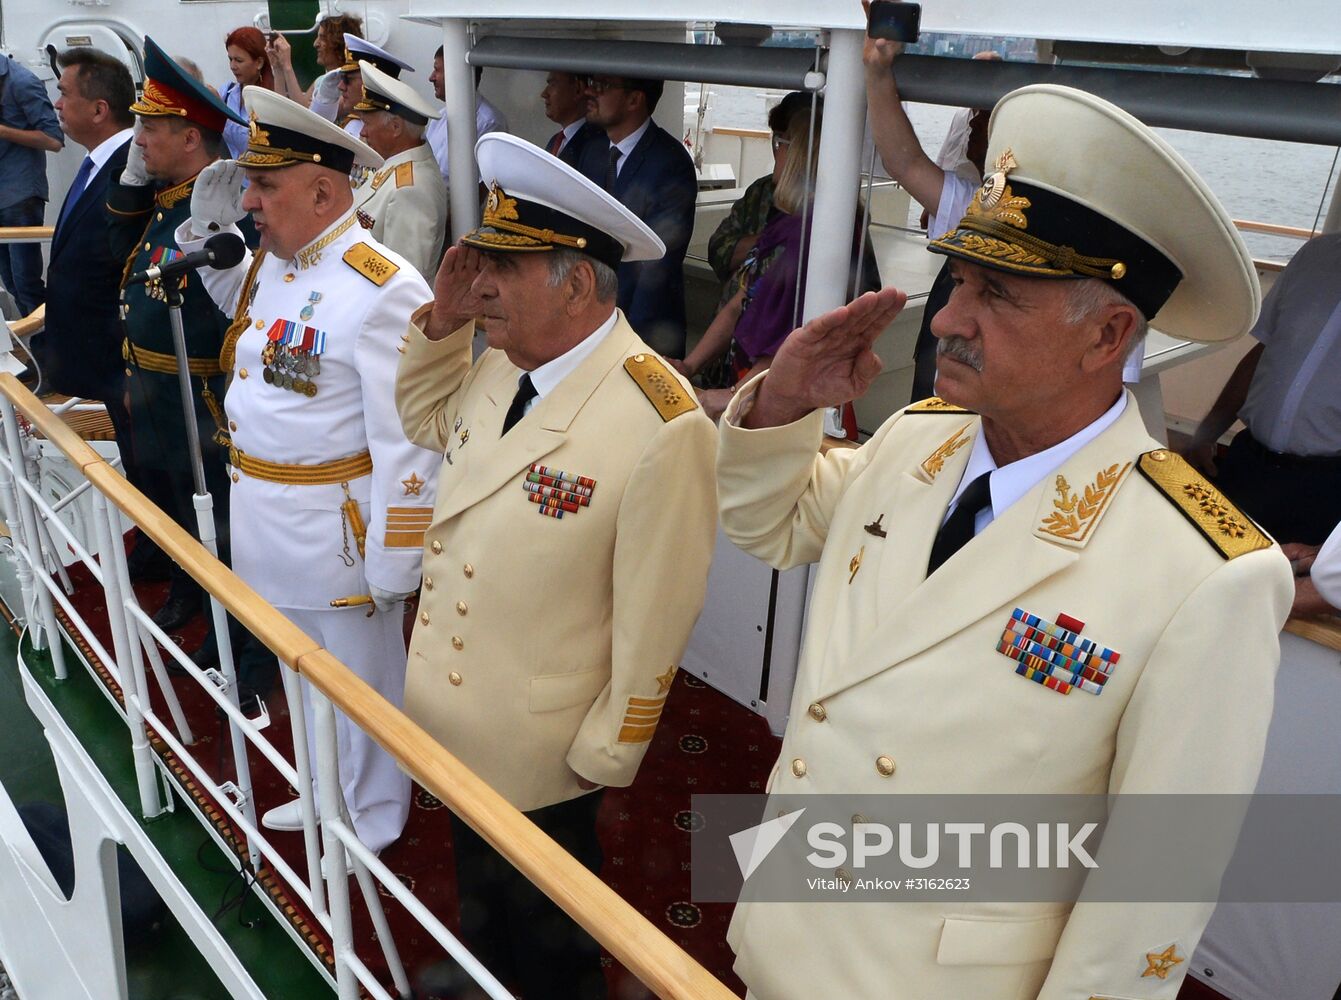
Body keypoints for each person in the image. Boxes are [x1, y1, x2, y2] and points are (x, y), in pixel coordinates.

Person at [715, 82, 1293, 1000]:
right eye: (957, 282)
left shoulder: (1203, 571)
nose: (946, 317)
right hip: (786, 924)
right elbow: (768, 524)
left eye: (996, 294)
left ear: (1107, 333)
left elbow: (1154, 885)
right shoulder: (915, 438)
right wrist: (781, 403)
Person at [397, 133, 716, 999]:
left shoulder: (659, 419)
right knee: (480, 894)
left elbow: (658, 612)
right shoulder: (501, 361)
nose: (482, 283)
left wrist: (609, 754)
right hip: (456, 712)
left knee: (548, 933)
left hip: (544, 744)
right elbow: (425, 420)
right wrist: (443, 319)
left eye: (504, 267)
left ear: (576, 282)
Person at [175, 88, 440, 856]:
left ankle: (373, 819)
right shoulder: (276, 263)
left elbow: (409, 439)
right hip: (265, 513)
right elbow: (255, 332)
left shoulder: (385, 286)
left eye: (265, 187)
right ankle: (324, 792)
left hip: (339, 530)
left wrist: (399, 554)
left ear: (324, 191)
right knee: (300, 674)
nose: (251, 201)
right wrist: (208, 226)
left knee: (361, 689)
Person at [107, 37, 248, 634]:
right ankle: (193, 592)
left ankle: (236, 631)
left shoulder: (221, 212)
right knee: (179, 512)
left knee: (219, 521)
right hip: (158, 394)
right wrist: (135, 179)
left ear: (191, 137)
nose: (138, 140)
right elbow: (114, 251)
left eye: (151, 129)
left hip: (204, 402)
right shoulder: (167, 203)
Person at [675, 110, 879, 423]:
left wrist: (734, 396)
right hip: (749, 387)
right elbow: (740, 303)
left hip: (780, 405)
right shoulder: (785, 224)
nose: (775, 151)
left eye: (780, 143)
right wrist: (688, 367)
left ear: (798, 154)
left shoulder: (818, 237)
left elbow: (793, 340)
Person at [1182, 230, 1341, 546]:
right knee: (1212, 561)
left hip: (1326, 488)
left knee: (1290, 589)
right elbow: (1264, 352)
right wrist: (1208, 432)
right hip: (1249, 464)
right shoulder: (1315, 255)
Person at [31, 47, 134, 442]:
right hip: (100, 366)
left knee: (152, 486)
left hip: (121, 368)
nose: (57, 103)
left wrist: (130, 379)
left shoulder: (128, 170)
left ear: (98, 110)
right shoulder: (97, 163)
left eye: (64, 93)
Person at [578, 75, 696, 359]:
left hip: (644, 333)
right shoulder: (593, 152)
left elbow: (659, 263)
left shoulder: (670, 163)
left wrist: (627, 344)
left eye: (603, 86)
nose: (590, 92)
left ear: (634, 100)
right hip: (587, 323)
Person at [706, 91, 818, 287]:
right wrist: (769, 239)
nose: (777, 150)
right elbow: (718, 250)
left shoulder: (835, 206)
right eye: (776, 140)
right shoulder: (760, 192)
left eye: (783, 143)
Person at [350, 61, 447, 281]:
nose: (363, 132)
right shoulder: (396, 167)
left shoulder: (411, 190)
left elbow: (401, 280)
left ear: (395, 127)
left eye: (367, 123)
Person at [0, 51, 63, 318]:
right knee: (11, 282)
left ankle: (52, 350)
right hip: (5, 194)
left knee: (26, 283)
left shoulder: (23, 82)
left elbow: (54, 140)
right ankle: (40, 350)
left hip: (22, 194)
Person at [425, 52, 509, 188]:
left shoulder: (490, 123)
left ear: (457, 74)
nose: (431, 78)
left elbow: (486, 185)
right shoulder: (437, 119)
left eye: (437, 70)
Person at [265, 13, 362, 118]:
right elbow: (284, 113)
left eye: (323, 38)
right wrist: (278, 67)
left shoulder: (351, 85)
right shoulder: (320, 81)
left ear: (340, 42)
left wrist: (287, 66)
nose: (315, 44)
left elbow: (306, 118)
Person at [335, 34, 412, 142]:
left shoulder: (391, 132)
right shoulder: (352, 123)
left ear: (372, 83)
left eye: (348, 79)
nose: (341, 86)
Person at [220, 27, 275, 159]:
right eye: (230, 59)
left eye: (239, 60)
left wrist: (219, 114)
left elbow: (254, 146)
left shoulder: (271, 97)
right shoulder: (227, 91)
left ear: (259, 63)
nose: (232, 66)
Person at [539, 70, 603, 168]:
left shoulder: (598, 143)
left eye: (552, 84)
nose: (544, 94)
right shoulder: (555, 141)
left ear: (578, 89)